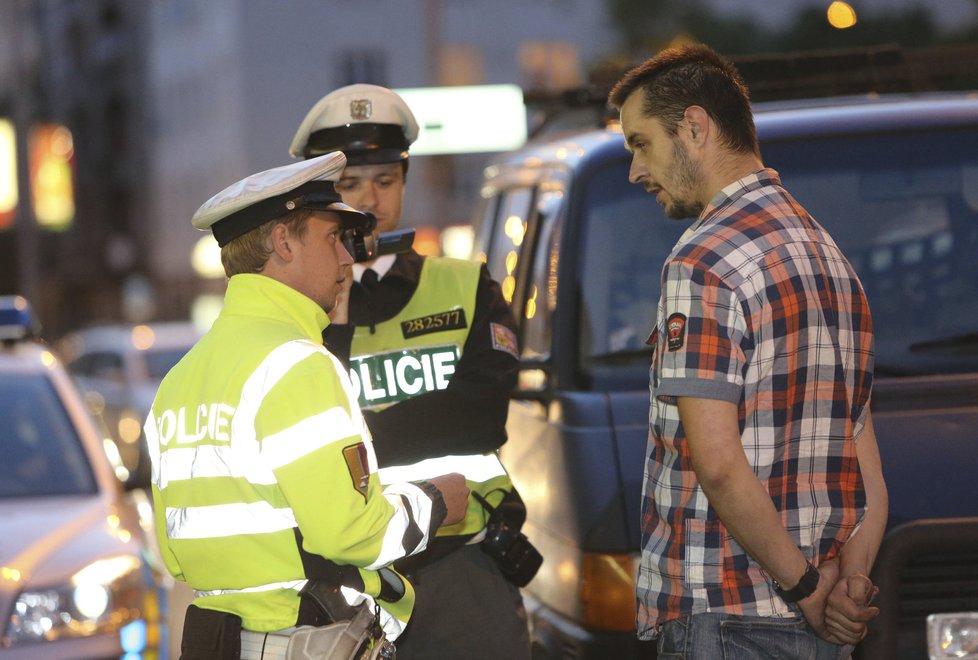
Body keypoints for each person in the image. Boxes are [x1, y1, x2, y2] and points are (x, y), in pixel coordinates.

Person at [607, 44, 889, 658]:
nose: (634, 170)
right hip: (821, 627)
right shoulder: (830, 258)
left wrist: (810, 590)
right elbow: (868, 471)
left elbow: (719, 464)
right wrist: (851, 583)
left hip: (726, 617)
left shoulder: (701, 261)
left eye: (639, 143)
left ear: (695, 128)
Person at [144, 151, 470, 658]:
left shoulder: (179, 380)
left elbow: (175, 556)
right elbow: (352, 535)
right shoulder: (296, 365)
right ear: (282, 243)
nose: (347, 258)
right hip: (306, 638)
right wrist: (438, 500)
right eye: (332, 237)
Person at [288, 84, 534, 659]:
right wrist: (336, 306)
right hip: (342, 580)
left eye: (385, 180)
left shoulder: (467, 286)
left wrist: (363, 436)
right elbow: (302, 422)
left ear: (404, 179)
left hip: (460, 567)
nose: (370, 199)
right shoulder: (299, 310)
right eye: (349, 184)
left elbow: (478, 416)